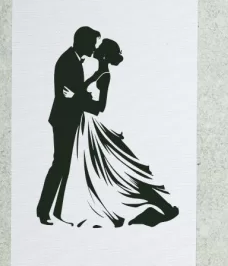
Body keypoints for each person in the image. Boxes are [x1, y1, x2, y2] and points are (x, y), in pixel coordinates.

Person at [61, 37, 180, 228]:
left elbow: (100, 107)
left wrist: (75, 97)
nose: (96, 48)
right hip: (87, 126)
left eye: (99, 48)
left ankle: (164, 209)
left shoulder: (104, 75)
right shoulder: (98, 72)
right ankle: (160, 208)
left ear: (105, 55)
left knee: (122, 172)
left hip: (94, 127)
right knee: (111, 173)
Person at [36, 26, 99, 224]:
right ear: (83, 42)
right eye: (92, 44)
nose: (94, 48)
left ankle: (49, 209)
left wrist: (88, 83)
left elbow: (74, 92)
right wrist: (85, 98)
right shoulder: (67, 61)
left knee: (63, 165)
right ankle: (44, 210)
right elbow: (66, 96)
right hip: (64, 120)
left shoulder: (72, 60)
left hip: (68, 119)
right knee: (60, 165)